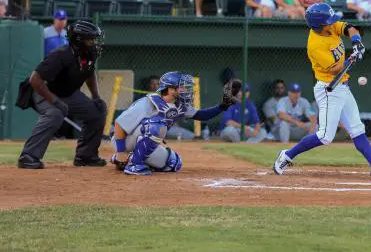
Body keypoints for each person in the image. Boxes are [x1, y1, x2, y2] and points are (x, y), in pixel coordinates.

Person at [273, 3, 371, 180]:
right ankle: (287, 155)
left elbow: (350, 28)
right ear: (319, 25)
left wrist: (356, 42)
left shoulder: (329, 26)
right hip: (329, 89)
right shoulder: (315, 45)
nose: (332, 23)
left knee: (357, 129)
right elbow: (334, 69)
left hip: (343, 87)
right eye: (328, 21)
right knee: (325, 136)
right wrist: (352, 58)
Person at [17, 21, 107, 169]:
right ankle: (28, 157)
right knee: (55, 113)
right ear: (79, 40)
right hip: (43, 90)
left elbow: (89, 73)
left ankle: (85, 156)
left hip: (68, 92)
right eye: (90, 39)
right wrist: (55, 101)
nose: (94, 42)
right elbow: (35, 79)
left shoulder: (89, 53)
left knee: (98, 110)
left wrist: (96, 96)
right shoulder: (61, 55)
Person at [112, 73, 241, 175]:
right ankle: (134, 164)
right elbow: (119, 124)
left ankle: (127, 160)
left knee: (173, 163)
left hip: (145, 140)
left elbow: (202, 115)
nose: (186, 90)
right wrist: (121, 150)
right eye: (182, 86)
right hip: (124, 140)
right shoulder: (148, 102)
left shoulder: (179, 105)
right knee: (158, 126)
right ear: (170, 89)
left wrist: (223, 106)